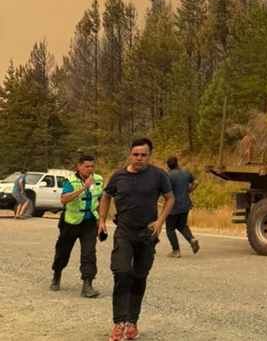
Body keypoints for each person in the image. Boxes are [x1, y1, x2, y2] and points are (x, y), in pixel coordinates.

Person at [98, 138, 174, 341]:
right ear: (130, 154)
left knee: (140, 276)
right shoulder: (118, 176)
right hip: (124, 231)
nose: (139, 158)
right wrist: (102, 221)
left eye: (143, 155)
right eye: (136, 154)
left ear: (149, 156)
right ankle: (118, 323)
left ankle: (132, 321)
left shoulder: (158, 175)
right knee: (122, 272)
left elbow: (170, 198)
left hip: (146, 233)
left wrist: (160, 222)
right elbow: (106, 196)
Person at [51, 154, 104, 297]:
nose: (90, 169)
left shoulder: (98, 180)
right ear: (79, 167)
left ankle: (87, 284)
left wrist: (101, 221)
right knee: (63, 251)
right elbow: (64, 200)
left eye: (92, 166)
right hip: (71, 222)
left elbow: (100, 200)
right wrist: (84, 187)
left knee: (89, 252)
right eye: (87, 166)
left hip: (89, 222)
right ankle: (57, 273)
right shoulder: (70, 180)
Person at [165, 156, 200, 258]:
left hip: (173, 206)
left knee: (170, 228)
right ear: (177, 163)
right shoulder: (186, 173)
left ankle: (176, 251)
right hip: (185, 204)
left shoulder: (168, 176)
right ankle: (191, 239)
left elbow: (166, 190)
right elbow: (196, 182)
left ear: (168, 166)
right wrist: (188, 191)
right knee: (182, 225)